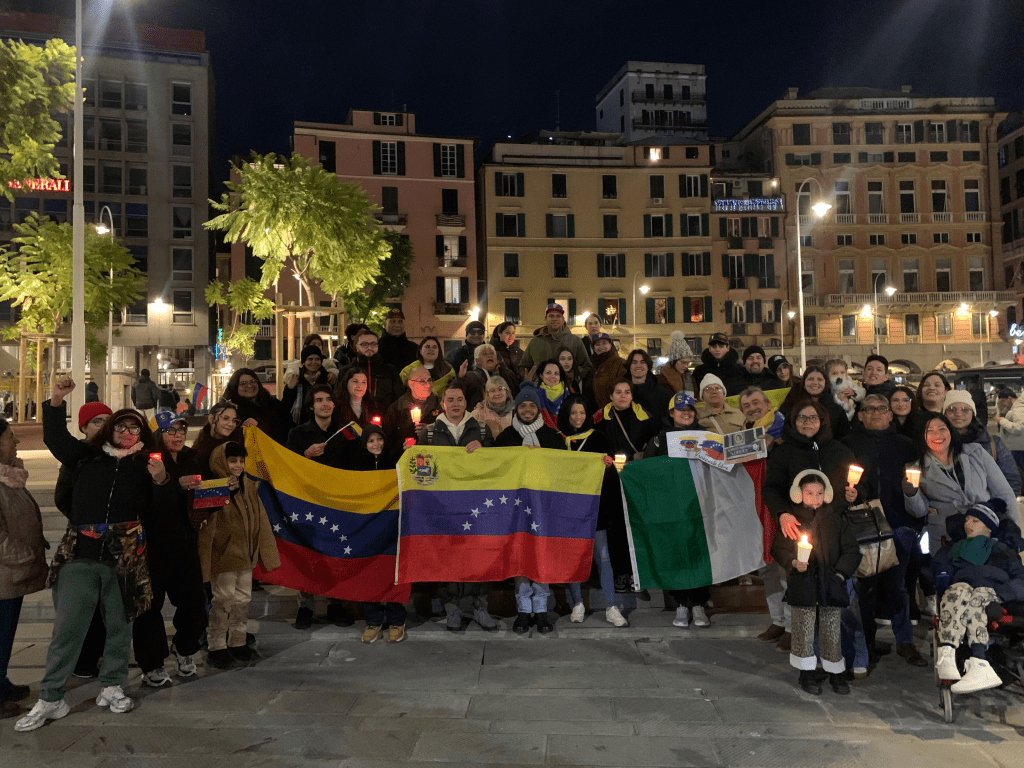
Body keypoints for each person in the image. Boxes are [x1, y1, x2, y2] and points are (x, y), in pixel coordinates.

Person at [17, 379, 171, 731]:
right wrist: (56, 400)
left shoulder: (147, 466)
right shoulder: (86, 458)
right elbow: (55, 439)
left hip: (126, 558)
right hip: (80, 554)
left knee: (120, 626)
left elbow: (160, 513)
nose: (128, 432)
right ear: (110, 432)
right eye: (121, 426)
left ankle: (112, 686)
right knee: (67, 628)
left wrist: (162, 481)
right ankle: (52, 697)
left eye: (135, 427)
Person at [841, 394, 927, 674]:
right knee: (865, 588)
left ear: (891, 415)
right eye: (869, 409)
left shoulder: (906, 446)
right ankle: (867, 641)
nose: (876, 412)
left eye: (882, 408)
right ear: (861, 415)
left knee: (899, 586)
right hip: (863, 526)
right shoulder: (848, 446)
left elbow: (917, 483)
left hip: (900, 525)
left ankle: (905, 641)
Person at [763, 399, 857, 654]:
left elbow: (857, 483)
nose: (807, 423)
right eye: (802, 418)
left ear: (822, 421)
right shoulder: (784, 452)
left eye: (812, 418)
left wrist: (853, 494)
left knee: (836, 599)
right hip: (800, 527)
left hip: (834, 530)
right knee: (802, 587)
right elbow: (771, 487)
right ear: (794, 422)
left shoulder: (838, 449)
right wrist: (782, 513)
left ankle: (841, 654)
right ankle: (804, 646)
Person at [132, 412, 208, 687]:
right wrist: (173, 484)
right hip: (154, 544)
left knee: (194, 603)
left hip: (186, 541)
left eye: (180, 430)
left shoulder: (190, 457)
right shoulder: (145, 460)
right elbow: (147, 501)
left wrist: (225, 490)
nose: (177, 436)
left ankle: (185, 649)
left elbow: (204, 491)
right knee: (150, 606)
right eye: (170, 431)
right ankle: (152, 663)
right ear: (157, 435)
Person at [773, 471, 861, 696]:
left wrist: (840, 574)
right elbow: (779, 548)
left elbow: (851, 549)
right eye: (809, 493)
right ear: (799, 494)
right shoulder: (793, 520)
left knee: (831, 629)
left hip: (831, 584)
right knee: (803, 631)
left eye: (819, 493)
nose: (814, 497)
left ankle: (836, 672)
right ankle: (806, 673)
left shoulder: (835, 519)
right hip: (803, 584)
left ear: (826, 494)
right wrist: (792, 562)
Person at [419, 380, 497, 632]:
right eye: (450, 400)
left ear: (466, 403)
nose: (455, 404)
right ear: (442, 404)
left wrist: (485, 450)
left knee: (479, 555)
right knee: (446, 556)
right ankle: (452, 608)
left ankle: (479, 606)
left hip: (476, 506)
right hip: (443, 507)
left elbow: (497, 465)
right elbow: (421, 472)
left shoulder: (482, 430)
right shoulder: (430, 433)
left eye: (460, 400)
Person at [195, 442, 280, 669]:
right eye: (233, 461)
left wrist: (265, 549)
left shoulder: (249, 486)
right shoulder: (210, 486)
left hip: (246, 553)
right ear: (222, 462)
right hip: (224, 554)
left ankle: (237, 641)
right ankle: (216, 644)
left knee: (243, 599)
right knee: (222, 600)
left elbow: (260, 518)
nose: (238, 466)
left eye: (241, 461)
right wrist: (224, 490)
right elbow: (205, 517)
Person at [495, 383, 567, 634]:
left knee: (541, 555)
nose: (527, 409)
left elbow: (564, 468)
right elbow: (495, 469)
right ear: (516, 408)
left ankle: (542, 610)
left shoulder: (551, 436)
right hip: (515, 509)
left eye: (532, 405)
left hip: (543, 507)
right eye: (523, 405)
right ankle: (524, 611)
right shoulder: (505, 438)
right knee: (521, 557)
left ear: (538, 408)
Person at [932, 504, 1024, 693]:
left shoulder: (1003, 551)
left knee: (978, 597)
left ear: (989, 527)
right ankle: (948, 654)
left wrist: (1005, 597)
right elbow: (940, 567)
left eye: (975, 521)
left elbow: (1020, 580)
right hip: (959, 594)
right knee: (960, 590)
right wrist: (942, 575)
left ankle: (979, 662)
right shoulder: (953, 549)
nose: (968, 524)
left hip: (992, 594)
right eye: (966, 520)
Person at [558, 394, 630, 628]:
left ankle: (611, 606)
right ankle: (577, 603)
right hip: (568, 510)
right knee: (572, 557)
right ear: (567, 416)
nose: (578, 417)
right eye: (573, 413)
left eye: (581, 413)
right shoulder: (560, 441)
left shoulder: (598, 437)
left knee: (603, 557)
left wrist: (610, 467)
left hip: (596, 509)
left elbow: (616, 467)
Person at [903, 413, 1019, 556]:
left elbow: (1004, 493)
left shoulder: (976, 453)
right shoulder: (916, 468)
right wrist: (911, 494)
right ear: (922, 436)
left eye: (941, 429)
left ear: (950, 431)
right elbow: (919, 512)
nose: (937, 435)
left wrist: (1013, 530)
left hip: (984, 530)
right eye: (929, 431)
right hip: (946, 537)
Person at [642, 393, 712, 629]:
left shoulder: (707, 437)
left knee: (699, 555)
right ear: (671, 413)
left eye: (690, 409)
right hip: (671, 509)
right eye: (681, 409)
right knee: (676, 555)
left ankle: (699, 604)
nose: (686, 413)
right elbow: (647, 471)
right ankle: (681, 604)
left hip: (700, 506)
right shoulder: (659, 440)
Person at [0, 418, 47, 720]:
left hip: (11, 574)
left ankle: (1, 683)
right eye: (10, 437)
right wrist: (24, 554)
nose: (16, 442)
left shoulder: (10, 476)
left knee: (6, 635)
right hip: (5, 571)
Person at [944, 390, 1021, 495]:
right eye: (952, 409)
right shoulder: (937, 444)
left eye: (965, 410)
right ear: (944, 414)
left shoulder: (992, 443)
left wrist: (996, 508)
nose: (958, 414)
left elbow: (1012, 481)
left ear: (973, 413)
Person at [593, 380, 660, 466]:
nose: (623, 396)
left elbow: (654, 442)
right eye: (618, 392)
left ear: (632, 396)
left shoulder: (644, 416)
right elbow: (596, 444)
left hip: (638, 466)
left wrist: (645, 454)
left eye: (627, 392)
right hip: (611, 468)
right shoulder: (601, 417)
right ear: (611, 396)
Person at [520, 303, 591, 379]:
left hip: (566, 388)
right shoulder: (534, 342)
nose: (555, 319)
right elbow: (523, 367)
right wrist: (532, 378)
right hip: (539, 388)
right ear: (545, 319)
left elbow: (586, 366)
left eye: (558, 316)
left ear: (563, 319)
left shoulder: (575, 341)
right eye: (551, 316)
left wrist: (574, 378)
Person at [223, 368, 293, 445]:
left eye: (253, 381)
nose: (249, 385)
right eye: (243, 383)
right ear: (235, 387)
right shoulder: (231, 410)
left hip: (279, 451)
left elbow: (287, 423)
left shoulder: (272, 403)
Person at [340, 328, 404, 411]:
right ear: (357, 347)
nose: (369, 347)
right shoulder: (346, 371)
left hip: (385, 418)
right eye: (364, 344)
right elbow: (340, 397)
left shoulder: (390, 370)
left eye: (373, 344)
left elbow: (398, 397)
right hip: (355, 418)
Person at [382, 367, 441, 456]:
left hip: (434, 458)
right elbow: (387, 441)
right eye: (422, 381)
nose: (428, 385)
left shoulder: (440, 405)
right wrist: (402, 447)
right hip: (405, 460)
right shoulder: (397, 408)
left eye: (429, 380)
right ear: (411, 384)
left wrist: (430, 430)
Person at [781, 365, 851, 440]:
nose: (815, 382)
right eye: (810, 379)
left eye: (819, 379)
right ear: (804, 383)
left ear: (825, 384)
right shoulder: (790, 406)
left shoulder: (836, 410)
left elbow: (844, 438)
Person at [285, 385, 346, 467]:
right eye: (319, 400)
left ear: (334, 404)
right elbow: (289, 465)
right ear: (311, 406)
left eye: (329, 399)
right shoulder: (296, 433)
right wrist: (307, 454)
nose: (325, 404)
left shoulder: (344, 432)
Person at [282, 345, 333, 426]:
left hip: (324, 426)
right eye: (310, 359)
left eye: (317, 359)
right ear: (303, 362)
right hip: (300, 426)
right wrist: (289, 389)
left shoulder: (328, 379)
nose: (314, 362)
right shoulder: (296, 379)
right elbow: (285, 406)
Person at [191, 401, 243, 478]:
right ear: (211, 418)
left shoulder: (238, 441)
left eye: (234, 421)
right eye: (225, 418)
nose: (231, 424)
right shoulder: (198, 451)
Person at [625, 349, 671, 422]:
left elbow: (666, 420)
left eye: (642, 362)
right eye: (634, 362)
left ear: (648, 366)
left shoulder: (662, 393)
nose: (638, 365)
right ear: (629, 366)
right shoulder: (620, 391)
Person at [584, 333, 627, 409]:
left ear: (610, 345)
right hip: (594, 412)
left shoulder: (620, 364)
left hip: (612, 411)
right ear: (593, 348)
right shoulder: (591, 365)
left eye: (604, 343)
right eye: (597, 344)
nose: (601, 347)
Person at [471, 376, 515, 441]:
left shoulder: (517, 411)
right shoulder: (478, 413)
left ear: (507, 391)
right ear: (487, 395)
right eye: (492, 391)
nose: (497, 394)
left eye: (500, 389)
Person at [534, 358, 570, 430]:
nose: (552, 376)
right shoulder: (534, 395)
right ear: (541, 375)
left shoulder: (569, 393)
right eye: (548, 373)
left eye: (556, 373)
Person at [994, 388, 1024, 476]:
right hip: (1017, 446)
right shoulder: (1015, 408)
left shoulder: (1018, 410)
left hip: (1017, 448)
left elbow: (1020, 428)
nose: (1003, 403)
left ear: (1009, 398)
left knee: (1018, 474)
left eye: (1003, 400)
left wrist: (1002, 421)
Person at [657, 332, 695, 398]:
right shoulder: (661, 379)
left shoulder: (690, 378)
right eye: (683, 362)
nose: (686, 366)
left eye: (688, 363)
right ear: (673, 361)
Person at [490, 322, 524, 388]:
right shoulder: (493, 351)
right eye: (507, 333)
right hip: (500, 387)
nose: (511, 336)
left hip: (518, 387)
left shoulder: (518, 351)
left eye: (513, 333)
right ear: (499, 334)